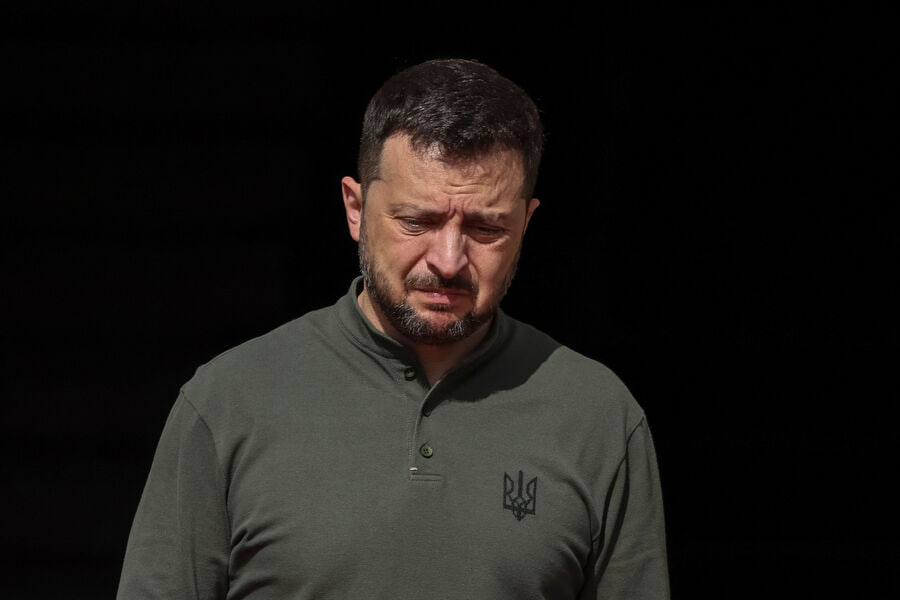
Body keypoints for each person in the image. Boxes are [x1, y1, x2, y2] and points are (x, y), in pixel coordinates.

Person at [117, 58, 670, 599]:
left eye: (486, 228)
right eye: (417, 221)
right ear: (355, 208)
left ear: (526, 223)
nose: (449, 260)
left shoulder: (598, 417)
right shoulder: (228, 403)